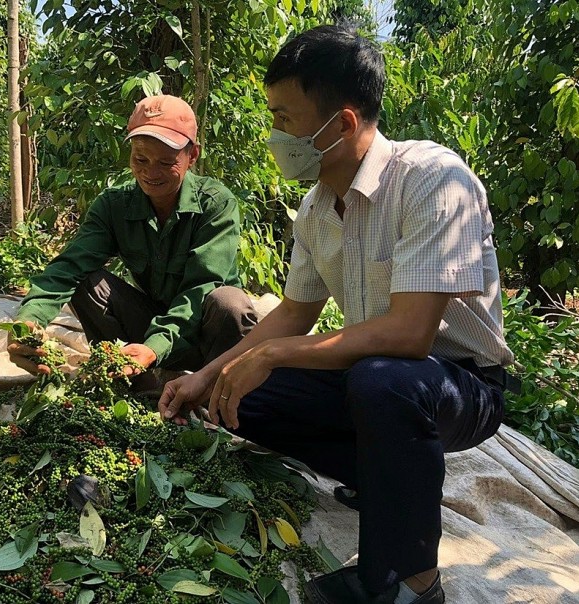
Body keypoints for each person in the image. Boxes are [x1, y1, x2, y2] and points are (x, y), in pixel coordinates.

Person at [158, 26, 518, 604]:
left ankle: (409, 580)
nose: (275, 135)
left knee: (383, 382)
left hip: (459, 383)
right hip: (373, 377)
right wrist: (207, 376)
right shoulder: (318, 207)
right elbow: (294, 313)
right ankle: (381, 476)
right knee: (238, 398)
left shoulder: (433, 180)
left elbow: (409, 334)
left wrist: (272, 354)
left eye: (284, 118)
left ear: (343, 123)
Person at [9, 94, 257, 386]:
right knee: (88, 283)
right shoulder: (116, 205)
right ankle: (131, 383)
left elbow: (200, 289)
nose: (150, 172)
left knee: (230, 303)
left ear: (192, 156)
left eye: (166, 162)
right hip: (152, 326)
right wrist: (29, 319)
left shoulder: (215, 204)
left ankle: (217, 388)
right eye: (141, 159)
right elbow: (68, 269)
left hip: (208, 336)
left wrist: (155, 346)